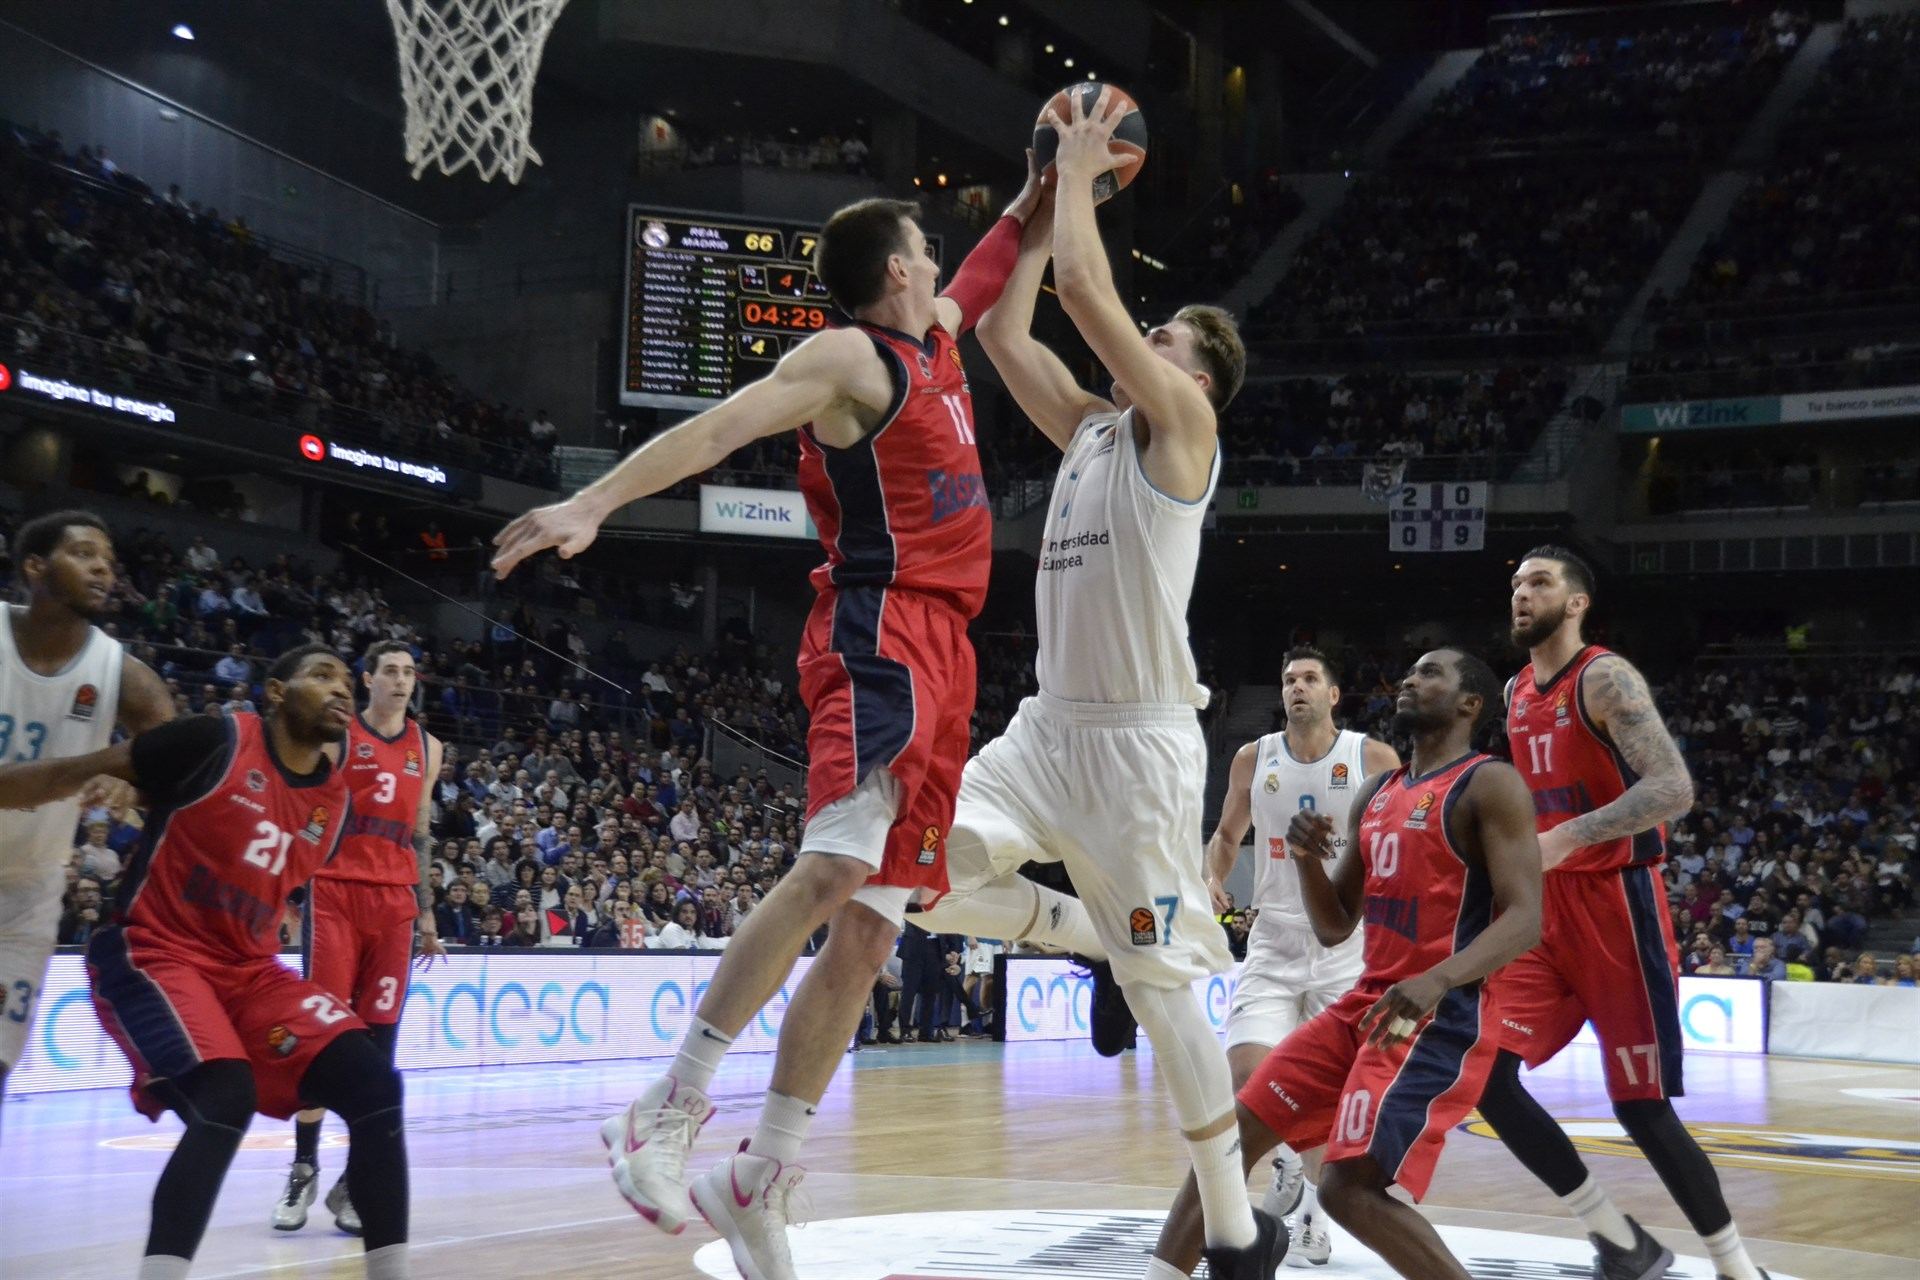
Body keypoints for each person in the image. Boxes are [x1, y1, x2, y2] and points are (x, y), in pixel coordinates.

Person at [492, 175, 1039, 1277]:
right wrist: (595, 501)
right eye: (922, 251)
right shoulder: (849, 360)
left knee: (877, 927)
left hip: (950, 650)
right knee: (833, 869)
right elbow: (721, 425)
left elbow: (984, 272)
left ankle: (759, 1174)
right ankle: (669, 1101)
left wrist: (1044, 186)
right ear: (893, 267)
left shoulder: (935, 338)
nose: (937, 264)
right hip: (878, 628)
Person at [912, 91, 1274, 1277]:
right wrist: (1030, 198)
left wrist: (1076, 168)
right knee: (914, 874)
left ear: (1199, 378)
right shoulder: (1089, 431)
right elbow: (1010, 338)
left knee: (1169, 1005)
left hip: (1140, 749)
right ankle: (1074, 929)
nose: (1144, 341)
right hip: (1046, 730)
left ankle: (1231, 1226)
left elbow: (1080, 294)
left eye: (1163, 334)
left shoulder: (1179, 426)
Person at [0, 644, 413, 1278]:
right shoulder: (214, 737)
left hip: (248, 969)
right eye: (320, 676)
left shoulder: (333, 804)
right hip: (153, 950)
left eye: (343, 682)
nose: (340, 691)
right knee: (228, 1095)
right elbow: (81, 770)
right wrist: (116, 784)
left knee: (376, 1081)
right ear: (276, 692)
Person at [1156, 649, 1543, 1280]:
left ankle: (1307, 1214)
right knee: (1228, 1142)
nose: (1411, 679)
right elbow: (1337, 924)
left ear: (1471, 704)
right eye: (1409, 671)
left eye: (1431, 673)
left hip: (1439, 1014)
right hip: (1366, 998)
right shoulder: (1380, 792)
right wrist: (1308, 860)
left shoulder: (1489, 783)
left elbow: (1527, 919)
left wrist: (1440, 976)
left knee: (1346, 1189)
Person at [1487, 547, 1770, 1280]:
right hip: (1544, 915)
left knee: (1639, 1108)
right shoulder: (1517, 690)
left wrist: (1568, 837)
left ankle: (1738, 1269)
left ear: (1576, 602)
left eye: (1540, 582)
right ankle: (1619, 1238)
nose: (1523, 594)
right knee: (1483, 1073)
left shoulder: (1604, 677)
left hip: (1619, 906)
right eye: (1517, 584)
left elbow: (1674, 788)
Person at [1151, 646, 1400, 1272]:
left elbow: (1396, 850)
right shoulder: (1250, 757)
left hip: (1346, 941)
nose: (1297, 687)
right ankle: (1289, 1161)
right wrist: (1212, 877)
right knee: (1246, 1079)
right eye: (1289, 679)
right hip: (1274, 936)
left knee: (1328, 1096)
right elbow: (1228, 834)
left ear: (1334, 694)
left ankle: (1313, 1212)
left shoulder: (1372, 758)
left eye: (1311, 678)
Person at [0, 511, 175, 1139]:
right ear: (35, 567)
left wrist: (136, 782)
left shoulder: (120, 673)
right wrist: (105, 763)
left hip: (28, 895)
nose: (104, 567)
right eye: (83, 554)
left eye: (109, 559)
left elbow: (176, 760)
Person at [275, 640, 444, 1235]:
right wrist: (289, 892)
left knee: (380, 1051)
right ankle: (302, 1168)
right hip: (336, 892)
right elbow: (303, 810)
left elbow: (421, 833)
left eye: (409, 672)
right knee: (321, 1041)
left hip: (395, 905)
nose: (401, 681)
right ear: (368, 679)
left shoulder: (429, 746)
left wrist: (426, 915)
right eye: (390, 672)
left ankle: (352, 1182)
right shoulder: (339, 735)